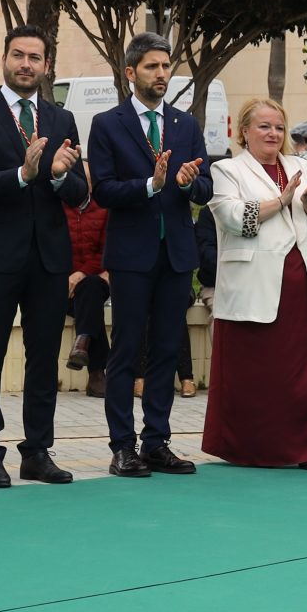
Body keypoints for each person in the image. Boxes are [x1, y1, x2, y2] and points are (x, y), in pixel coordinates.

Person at [0, 26, 88, 490]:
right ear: (4, 59)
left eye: (35, 57)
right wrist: (22, 174)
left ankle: (37, 452)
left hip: (49, 257)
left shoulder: (60, 120)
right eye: (18, 55)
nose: (26, 64)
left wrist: (54, 177)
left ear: (46, 66)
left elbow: (80, 192)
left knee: (43, 355)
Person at [203, 98, 307, 469]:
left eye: (279, 127)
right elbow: (234, 218)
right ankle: (253, 448)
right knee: (260, 373)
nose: (273, 134)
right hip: (253, 284)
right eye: (264, 126)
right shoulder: (227, 169)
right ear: (244, 131)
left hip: (305, 283)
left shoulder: (300, 164)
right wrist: (282, 200)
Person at [89, 32, 213, 477]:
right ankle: (122, 446)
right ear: (130, 73)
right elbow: (101, 189)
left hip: (177, 255)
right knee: (126, 351)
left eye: (166, 67)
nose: (162, 74)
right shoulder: (108, 124)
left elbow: (206, 186)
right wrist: (149, 186)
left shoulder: (186, 124)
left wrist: (185, 183)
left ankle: (156, 442)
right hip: (131, 255)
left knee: (165, 350)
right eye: (152, 67)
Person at [65, 199, 112, 395]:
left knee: (90, 288)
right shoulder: (58, 205)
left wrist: (82, 273)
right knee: (89, 304)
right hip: (62, 281)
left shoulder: (104, 208)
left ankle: (83, 341)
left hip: (95, 280)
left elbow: (106, 251)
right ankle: (96, 374)